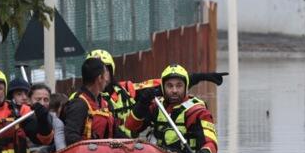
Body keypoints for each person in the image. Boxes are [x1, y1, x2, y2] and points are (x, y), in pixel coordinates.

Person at [85, 48, 227, 136]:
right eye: (97, 72)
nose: (101, 76)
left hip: (129, 144)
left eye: (105, 70)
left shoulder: (127, 89)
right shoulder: (82, 100)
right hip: (101, 146)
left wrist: (202, 77)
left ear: (111, 71)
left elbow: (169, 83)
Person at [124, 64, 218, 153]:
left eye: (179, 86)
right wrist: (142, 105)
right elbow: (131, 126)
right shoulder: (156, 106)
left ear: (186, 87)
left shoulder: (197, 112)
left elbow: (211, 143)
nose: (174, 90)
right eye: (170, 86)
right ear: (163, 88)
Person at [62, 57, 115, 144]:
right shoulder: (79, 104)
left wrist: (132, 141)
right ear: (100, 78)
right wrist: (94, 147)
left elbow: (115, 132)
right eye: (106, 75)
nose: (107, 79)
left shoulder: (105, 102)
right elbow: (71, 136)